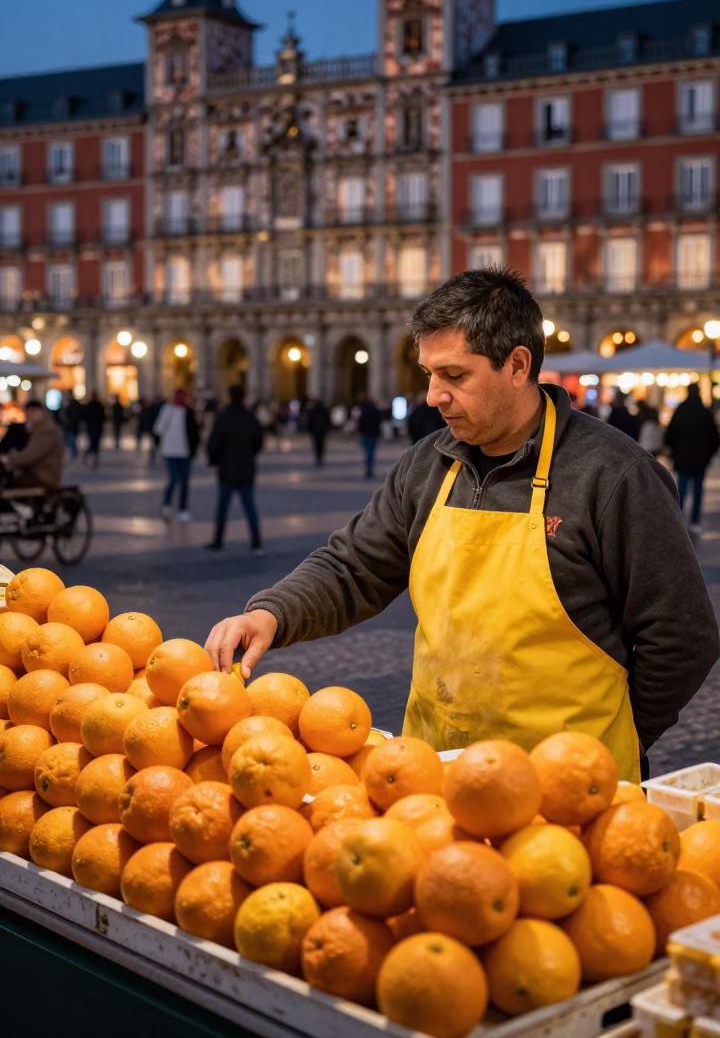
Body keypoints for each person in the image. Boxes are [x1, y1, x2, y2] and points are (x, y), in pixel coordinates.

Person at [205, 267, 720, 783]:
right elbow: (354, 566)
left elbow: (681, 633)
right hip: (433, 775)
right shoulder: (427, 465)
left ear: (518, 365)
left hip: (569, 789)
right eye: (428, 373)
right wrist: (272, 614)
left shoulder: (614, 474)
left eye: (454, 375)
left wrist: (625, 733)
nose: (433, 395)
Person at [204, 385, 264, 553]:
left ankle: (218, 540)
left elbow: (213, 443)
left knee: (222, 508)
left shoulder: (223, 417)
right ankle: (256, 542)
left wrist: (214, 460)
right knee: (250, 508)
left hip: (227, 469)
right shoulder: (250, 417)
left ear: (229, 396)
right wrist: (250, 454)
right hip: (246, 469)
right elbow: (259, 441)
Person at [665, 383, 720, 534]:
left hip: (683, 457)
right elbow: (714, 437)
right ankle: (695, 521)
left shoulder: (681, 410)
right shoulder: (704, 412)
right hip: (700, 458)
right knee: (697, 490)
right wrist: (708, 454)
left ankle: (679, 519)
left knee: (681, 488)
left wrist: (673, 450)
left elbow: (671, 433)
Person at [154, 388, 200, 521]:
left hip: (185, 452)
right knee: (173, 479)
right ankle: (166, 506)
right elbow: (159, 429)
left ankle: (183, 509)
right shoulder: (167, 409)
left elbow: (194, 433)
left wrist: (194, 449)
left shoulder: (188, 411)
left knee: (185, 482)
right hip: (170, 452)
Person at [0, 399, 64, 488]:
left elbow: (31, 455)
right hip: (37, 473)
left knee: (8, 484)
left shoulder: (48, 431)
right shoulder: (38, 429)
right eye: (28, 414)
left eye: (32, 413)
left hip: (44, 476)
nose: (29, 416)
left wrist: (9, 459)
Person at [357, 397, 384, 478]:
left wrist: (361, 432)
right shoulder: (376, 412)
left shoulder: (364, 412)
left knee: (367, 451)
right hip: (374, 434)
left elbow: (360, 424)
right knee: (371, 452)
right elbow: (379, 422)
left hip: (366, 435)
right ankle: (370, 466)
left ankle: (368, 466)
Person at [305, 398, 332, 466]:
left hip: (316, 431)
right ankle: (320, 457)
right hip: (322, 431)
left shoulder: (314, 411)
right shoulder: (324, 410)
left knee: (317, 445)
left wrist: (309, 429)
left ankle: (318, 457)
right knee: (321, 444)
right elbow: (328, 420)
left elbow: (310, 421)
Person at [83, 392, 106, 468]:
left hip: (92, 427)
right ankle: (94, 458)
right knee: (94, 443)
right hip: (96, 428)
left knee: (93, 443)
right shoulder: (99, 405)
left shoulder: (90, 405)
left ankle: (91, 457)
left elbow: (85, 416)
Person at [60, 393, 83, 460]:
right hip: (71, 426)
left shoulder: (71, 405)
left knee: (71, 440)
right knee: (72, 440)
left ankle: (73, 453)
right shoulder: (71, 404)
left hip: (71, 426)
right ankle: (73, 453)